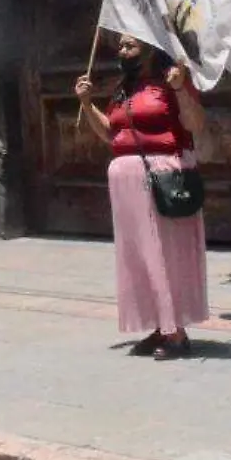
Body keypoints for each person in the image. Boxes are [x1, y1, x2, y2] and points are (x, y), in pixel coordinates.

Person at [72, 35, 209, 359]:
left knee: (165, 255)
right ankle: (160, 325)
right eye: (120, 46)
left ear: (149, 47)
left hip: (162, 179)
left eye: (129, 45)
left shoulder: (171, 81)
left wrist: (179, 89)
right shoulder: (125, 90)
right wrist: (86, 103)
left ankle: (176, 332)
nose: (121, 50)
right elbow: (111, 133)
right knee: (140, 258)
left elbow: (195, 124)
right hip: (127, 187)